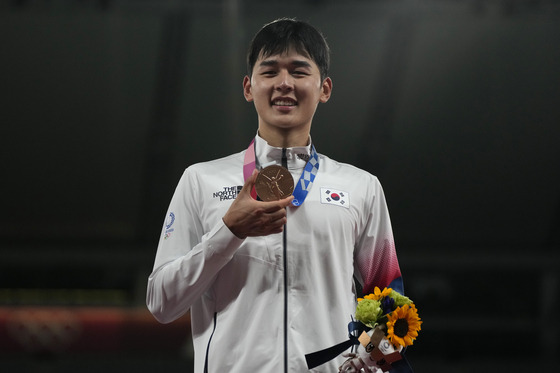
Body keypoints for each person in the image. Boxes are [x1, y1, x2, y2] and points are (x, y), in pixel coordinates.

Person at [147, 18, 410, 373]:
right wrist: (229, 231)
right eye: (269, 71)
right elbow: (161, 303)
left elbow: (394, 310)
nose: (284, 83)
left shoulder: (360, 187)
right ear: (248, 87)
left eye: (299, 71)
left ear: (325, 88)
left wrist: (375, 362)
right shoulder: (201, 181)